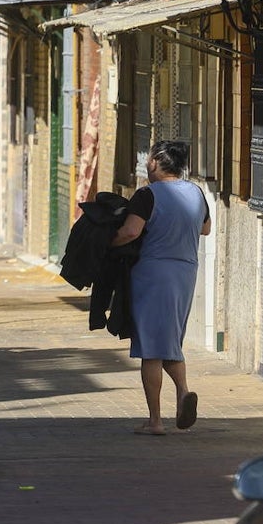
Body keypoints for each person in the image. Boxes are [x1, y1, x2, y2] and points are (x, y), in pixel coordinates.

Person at [109, 140, 211, 436]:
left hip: (153, 273)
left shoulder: (147, 195)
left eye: (149, 160)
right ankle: (182, 394)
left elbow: (130, 231)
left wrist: (105, 244)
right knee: (168, 340)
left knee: (150, 349)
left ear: (154, 163)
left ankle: (155, 421)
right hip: (186, 272)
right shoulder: (196, 192)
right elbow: (205, 228)